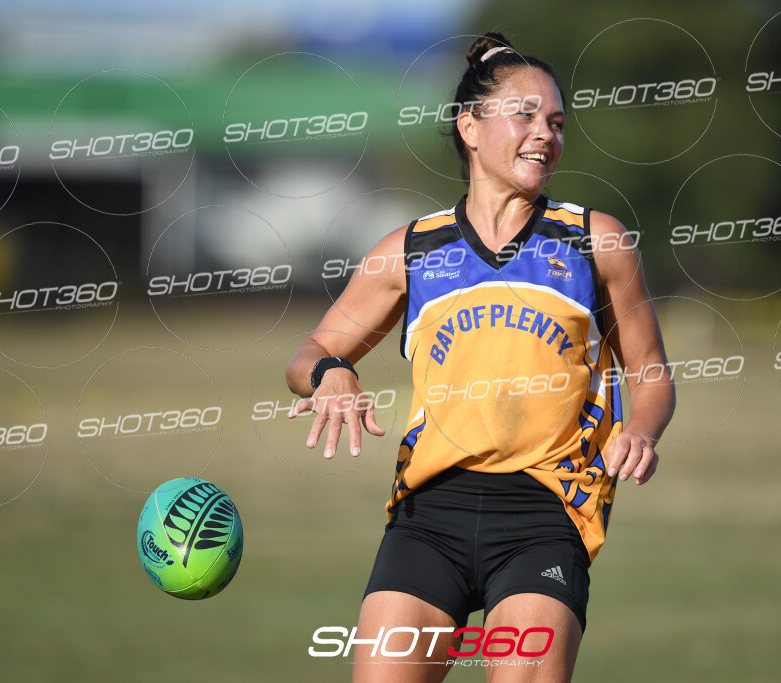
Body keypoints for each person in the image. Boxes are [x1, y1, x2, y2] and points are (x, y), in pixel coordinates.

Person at [287, 32, 675, 682]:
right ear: (470, 127)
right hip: (427, 517)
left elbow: (653, 374)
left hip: (545, 516)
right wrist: (333, 374)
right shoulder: (410, 251)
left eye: (556, 123)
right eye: (525, 115)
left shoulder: (596, 242)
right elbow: (310, 354)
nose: (545, 134)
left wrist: (641, 429)